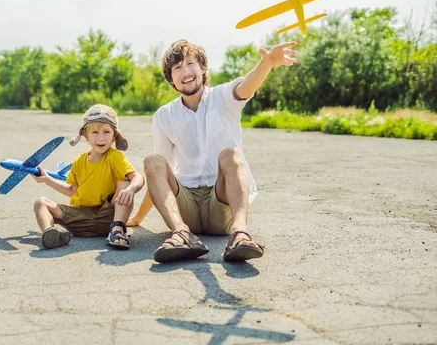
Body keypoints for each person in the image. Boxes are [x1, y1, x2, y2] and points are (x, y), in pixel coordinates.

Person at [130, 39, 297, 263]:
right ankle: (181, 233)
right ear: (171, 79)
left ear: (202, 68)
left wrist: (265, 64)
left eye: (190, 64)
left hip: (220, 203)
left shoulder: (222, 98)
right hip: (185, 204)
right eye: (177, 68)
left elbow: (245, 87)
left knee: (231, 155)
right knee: (153, 160)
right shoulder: (164, 115)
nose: (185, 71)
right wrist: (139, 217)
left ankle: (240, 234)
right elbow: (159, 173)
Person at [32, 104, 144, 250]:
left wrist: (131, 189)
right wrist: (47, 179)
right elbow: (71, 190)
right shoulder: (79, 161)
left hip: (107, 217)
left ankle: (117, 231)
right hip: (79, 218)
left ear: (114, 135)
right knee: (41, 202)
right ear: (85, 134)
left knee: (125, 183)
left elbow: (137, 176)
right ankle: (50, 234)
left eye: (106, 132)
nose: (101, 137)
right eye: (95, 132)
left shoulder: (114, 157)